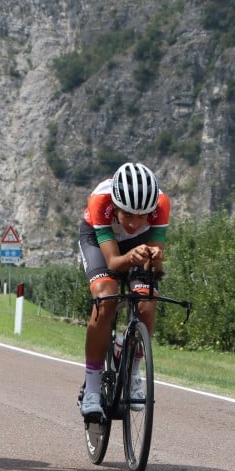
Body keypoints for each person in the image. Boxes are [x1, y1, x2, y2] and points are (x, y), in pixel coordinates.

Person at [77, 162, 170, 417]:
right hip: (99, 241)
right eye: (127, 215)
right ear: (116, 206)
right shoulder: (100, 201)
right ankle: (93, 387)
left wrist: (154, 257)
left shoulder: (161, 205)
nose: (134, 222)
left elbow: (155, 266)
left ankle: (132, 371)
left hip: (139, 244)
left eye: (142, 216)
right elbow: (114, 263)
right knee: (106, 297)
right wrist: (131, 257)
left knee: (148, 302)